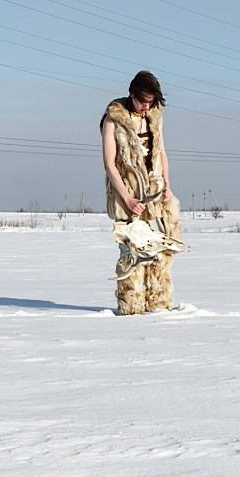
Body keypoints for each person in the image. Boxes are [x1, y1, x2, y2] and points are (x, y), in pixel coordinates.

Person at [100, 69, 184, 315]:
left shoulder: (155, 116)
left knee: (160, 249)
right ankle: (131, 308)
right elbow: (109, 163)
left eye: (152, 102)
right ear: (132, 94)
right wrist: (127, 197)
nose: (147, 106)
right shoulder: (113, 119)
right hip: (126, 196)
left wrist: (167, 184)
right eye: (143, 101)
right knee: (132, 252)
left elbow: (161, 152)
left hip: (155, 196)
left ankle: (159, 305)